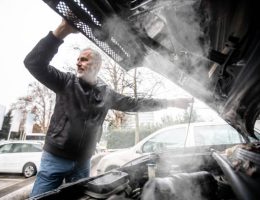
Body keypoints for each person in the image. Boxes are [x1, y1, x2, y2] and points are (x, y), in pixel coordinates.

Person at [24, 19, 191, 197]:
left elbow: (136, 103)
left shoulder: (106, 93)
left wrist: (171, 103)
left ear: (96, 65)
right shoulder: (65, 82)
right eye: (78, 60)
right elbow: (34, 63)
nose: (78, 63)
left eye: (84, 60)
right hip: (56, 158)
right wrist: (60, 32)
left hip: (83, 162)